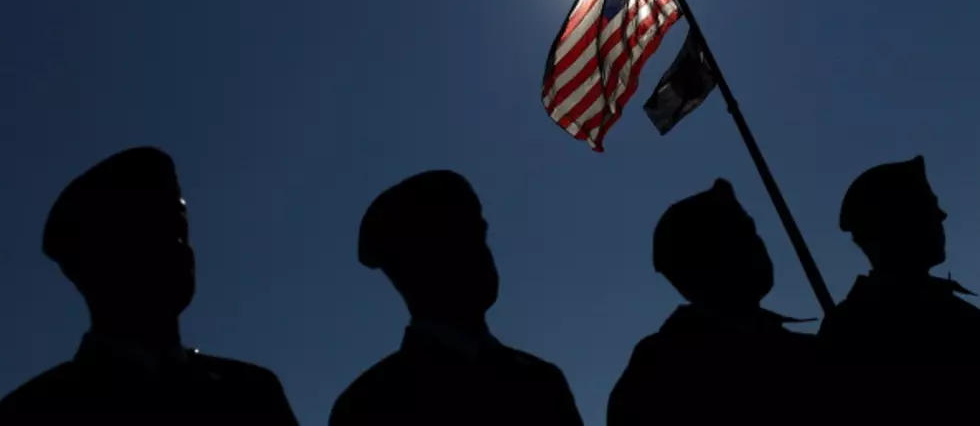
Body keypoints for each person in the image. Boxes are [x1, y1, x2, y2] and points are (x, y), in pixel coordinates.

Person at [0, 146, 298, 425]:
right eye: (150, 233)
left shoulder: (253, 393)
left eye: (180, 229)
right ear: (91, 265)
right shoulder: (35, 412)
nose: (178, 247)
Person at [329, 170, 583, 426]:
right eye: (455, 240)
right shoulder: (370, 404)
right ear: (409, 269)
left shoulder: (542, 380)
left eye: (479, 236)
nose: (479, 253)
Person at [607, 179, 818, 426]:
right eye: (736, 235)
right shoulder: (662, 368)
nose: (755, 244)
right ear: (697, 264)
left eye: (750, 230)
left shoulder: (804, 349)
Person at [819, 155, 980, 363]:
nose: (941, 215)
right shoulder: (854, 323)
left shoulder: (848, 321)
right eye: (927, 206)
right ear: (896, 222)